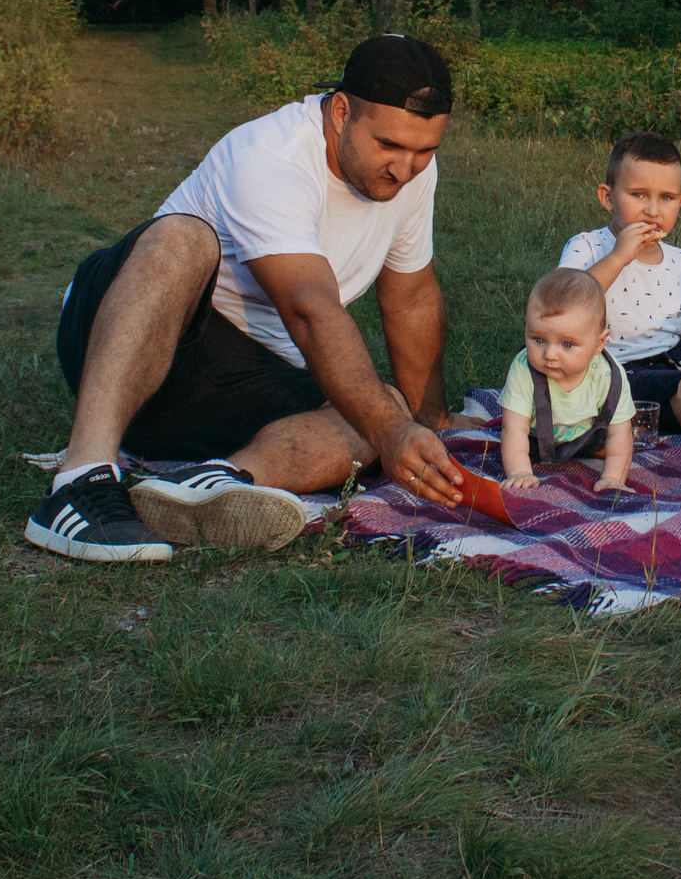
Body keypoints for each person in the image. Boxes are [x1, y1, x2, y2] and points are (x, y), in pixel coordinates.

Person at [27, 34, 473, 562]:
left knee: (381, 412)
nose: (406, 168)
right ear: (340, 110)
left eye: (425, 151)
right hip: (124, 334)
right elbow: (310, 308)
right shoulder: (270, 155)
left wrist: (424, 421)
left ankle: (214, 484)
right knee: (182, 238)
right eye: (390, 146)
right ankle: (80, 480)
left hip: (228, 383)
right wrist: (395, 430)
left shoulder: (414, 175)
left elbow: (411, 296)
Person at [555, 132, 681, 444]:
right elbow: (563, 304)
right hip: (614, 369)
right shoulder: (588, 246)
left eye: (665, 198)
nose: (652, 210)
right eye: (638, 195)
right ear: (608, 197)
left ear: (680, 202)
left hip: (675, 356)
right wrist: (619, 257)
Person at [498, 268, 636, 491]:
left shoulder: (608, 376)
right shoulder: (524, 369)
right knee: (513, 433)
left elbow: (620, 432)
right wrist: (520, 472)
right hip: (535, 444)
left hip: (588, 441)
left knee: (617, 436)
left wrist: (613, 478)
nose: (550, 355)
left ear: (599, 343)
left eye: (567, 345)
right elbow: (513, 429)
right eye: (539, 340)